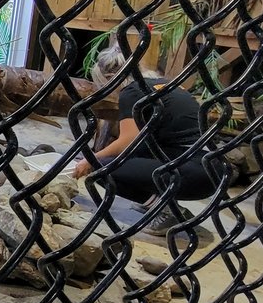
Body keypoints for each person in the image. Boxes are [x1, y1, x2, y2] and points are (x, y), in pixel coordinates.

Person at [72, 47, 221, 232]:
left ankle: (166, 210)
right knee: (127, 156)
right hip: (211, 167)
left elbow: (128, 140)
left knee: (100, 168)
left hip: (193, 171)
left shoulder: (132, 92)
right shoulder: (166, 84)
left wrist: (91, 159)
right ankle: (159, 203)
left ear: (111, 79)